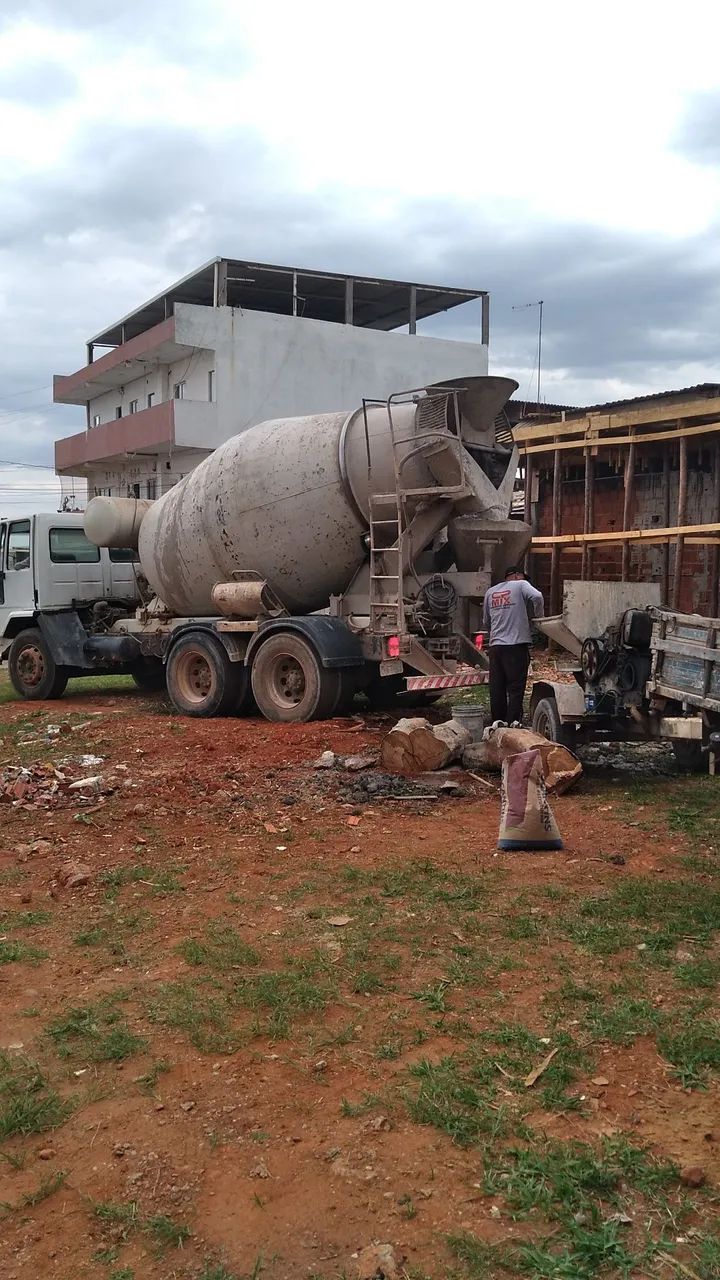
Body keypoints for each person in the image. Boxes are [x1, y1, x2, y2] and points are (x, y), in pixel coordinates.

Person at [482, 566, 544, 725]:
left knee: (497, 687)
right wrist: (540, 620)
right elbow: (537, 596)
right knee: (516, 688)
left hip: (496, 647)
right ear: (517, 576)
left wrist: (496, 633)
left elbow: (486, 621)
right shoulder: (521, 584)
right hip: (516, 645)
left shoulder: (490, 592)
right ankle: (512, 723)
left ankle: (497, 723)